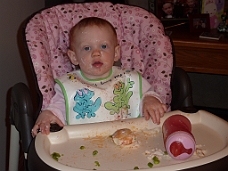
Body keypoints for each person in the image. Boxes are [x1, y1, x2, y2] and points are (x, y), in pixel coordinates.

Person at [32, 17, 167, 136]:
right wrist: (48, 115)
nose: (96, 53)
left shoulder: (128, 78)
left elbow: (147, 95)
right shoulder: (70, 85)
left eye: (103, 46)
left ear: (116, 53)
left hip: (130, 140)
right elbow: (58, 108)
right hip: (83, 146)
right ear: (74, 57)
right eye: (87, 48)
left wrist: (150, 100)